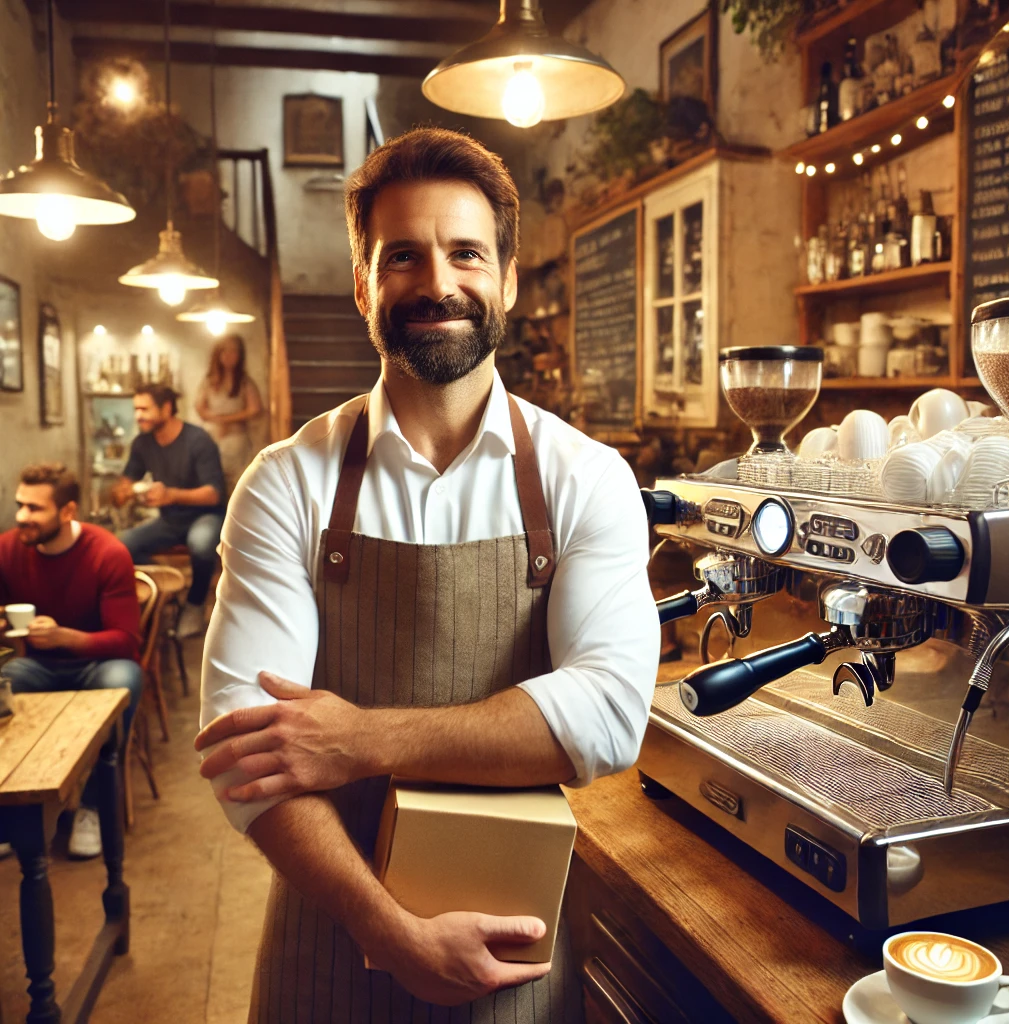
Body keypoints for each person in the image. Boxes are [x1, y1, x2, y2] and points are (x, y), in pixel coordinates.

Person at [195, 127, 660, 1023]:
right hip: (326, 936)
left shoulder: (584, 476)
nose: (438, 283)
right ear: (364, 283)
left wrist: (360, 739)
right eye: (403, 255)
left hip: (512, 949)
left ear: (509, 281)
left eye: (466, 254)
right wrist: (386, 927)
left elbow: (606, 716)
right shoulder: (287, 482)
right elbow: (246, 755)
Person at [0, 463, 142, 859]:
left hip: (98, 662)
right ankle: (12, 814)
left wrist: (67, 638)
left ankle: (92, 807)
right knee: (7, 680)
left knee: (124, 680)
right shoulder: (8, 548)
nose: (21, 517)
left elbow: (127, 639)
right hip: (38, 664)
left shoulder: (107, 553)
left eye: (34, 509)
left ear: (67, 512)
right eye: (20, 505)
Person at [114, 383, 226, 639]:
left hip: (205, 515)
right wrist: (123, 492)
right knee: (122, 546)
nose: (138, 415)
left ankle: (194, 606)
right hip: (169, 519)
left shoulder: (198, 440)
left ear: (166, 408)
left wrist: (171, 494)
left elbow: (214, 494)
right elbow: (125, 484)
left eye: (144, 408)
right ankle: (169, 586)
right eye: (135, 409)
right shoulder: (142, 443)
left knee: (201, 543)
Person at [195, 334, 263, 496]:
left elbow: (255, 409)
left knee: (237, 485)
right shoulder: (209, 381)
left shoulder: (244, 382)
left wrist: (227, 419)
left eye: (233, 351)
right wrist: (217, 420)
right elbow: (200, 408)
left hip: (235, 440)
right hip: (213, 438)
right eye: (224, 351)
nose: (228, 356)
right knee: (212, 481)